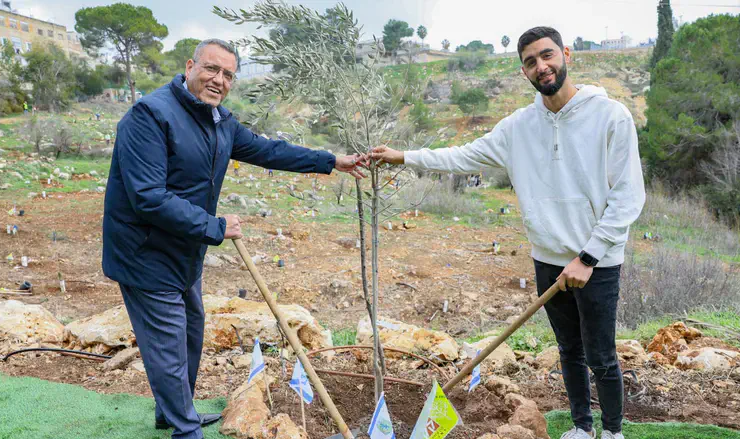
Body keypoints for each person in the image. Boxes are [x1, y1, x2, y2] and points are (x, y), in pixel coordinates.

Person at [370, 27, 645, 439]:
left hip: (597, 262)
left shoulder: (611, 116)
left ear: (566, 54)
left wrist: (589, 257)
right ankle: (581, 428)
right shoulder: (518, 127)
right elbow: (462, 156)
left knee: (601, 355)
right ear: (523, 71)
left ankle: (612, 432)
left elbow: (627, 196)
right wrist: (404, 157)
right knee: (569, 350)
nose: (541, 66)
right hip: (547, 259)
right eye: (531, 62)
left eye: (547, 55)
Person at [102, 38, 366, 439]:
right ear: (190, 66)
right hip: (145, 253)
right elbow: (148, 197)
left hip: (185, 250)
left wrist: (331, 161)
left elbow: (269, 151)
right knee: (168, 347)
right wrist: (216, 226)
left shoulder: (219, 121)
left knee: (191, 334)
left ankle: (171, 413)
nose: (219, 80)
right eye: (211, 69)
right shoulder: (150, 116)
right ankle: (186, 430)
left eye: (228, 74)